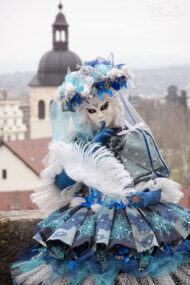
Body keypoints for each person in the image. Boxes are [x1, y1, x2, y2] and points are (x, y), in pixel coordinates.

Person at [11, 57, 190, 285]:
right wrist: (91, 151)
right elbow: (62, 184)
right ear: (84, 113)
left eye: (103, 107)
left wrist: (147, 196)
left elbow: (157, 182)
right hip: (90, 218)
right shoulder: (80, 142)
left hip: (138, 219)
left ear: (115, 103)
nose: (100, 115)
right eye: (92, 111)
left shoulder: (136, 138)